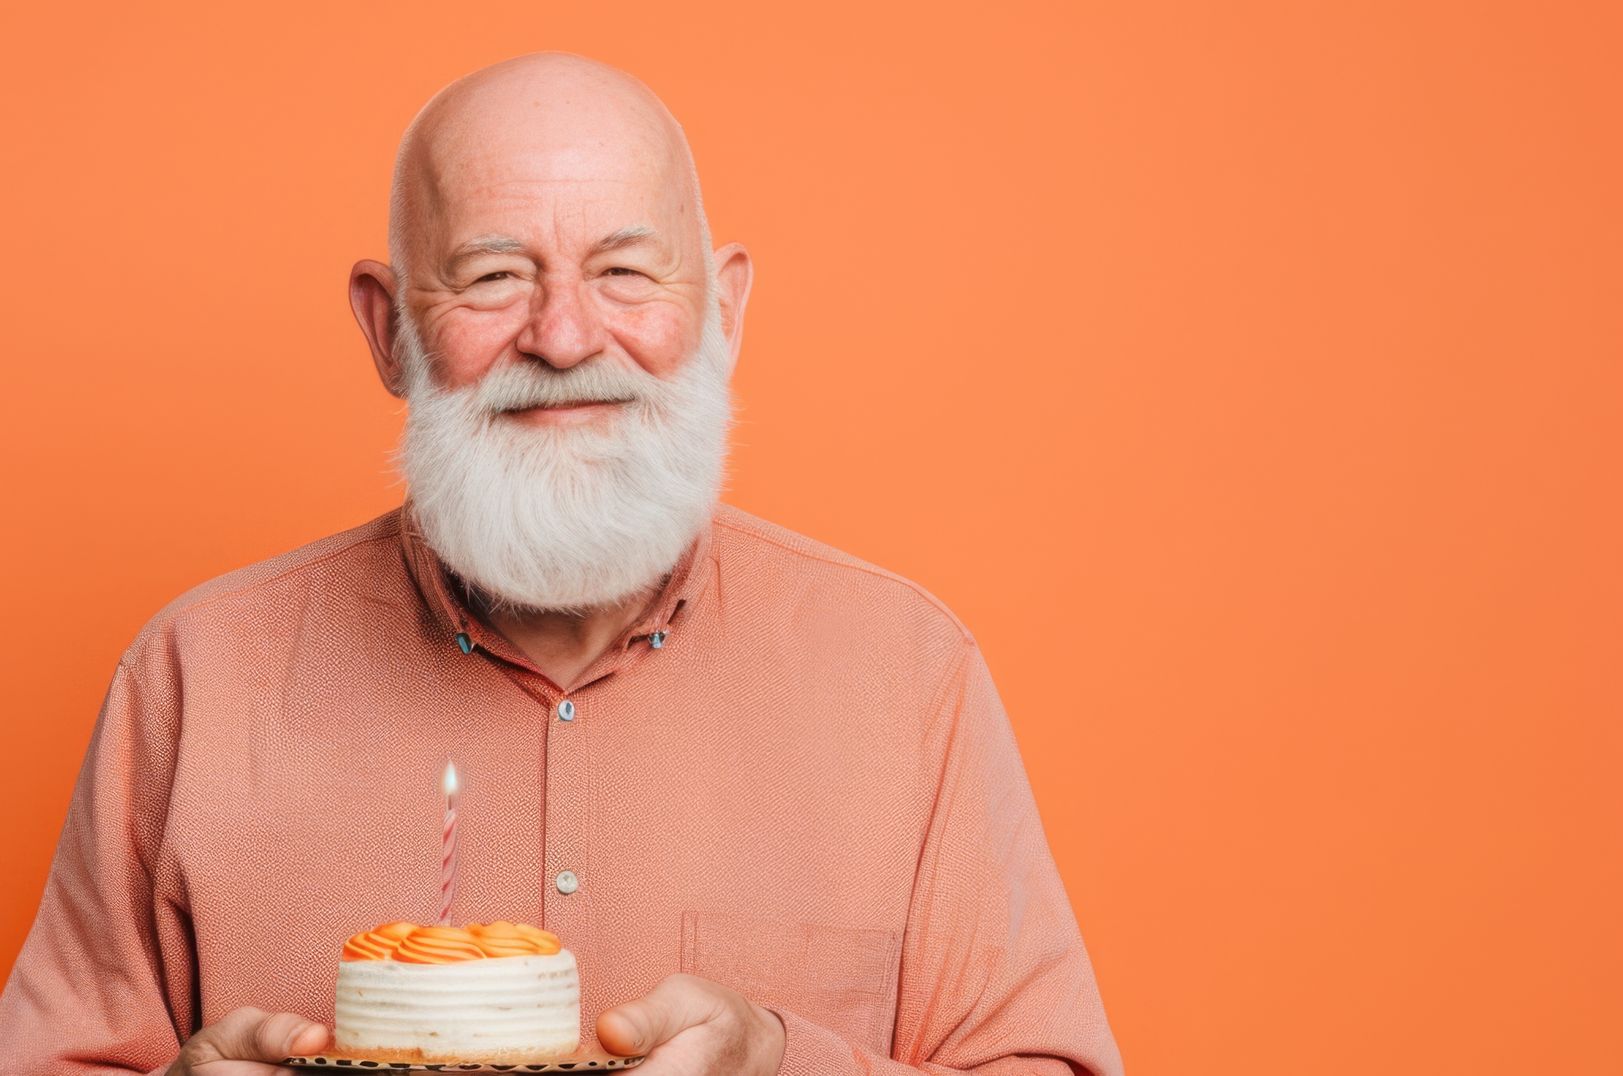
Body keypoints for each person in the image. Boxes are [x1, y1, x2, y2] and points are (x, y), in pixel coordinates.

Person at [0, 51, 1122, 1076]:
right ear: (389, 329)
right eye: (493, 277)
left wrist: (785, 1062)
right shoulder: (194, 673)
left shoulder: (905, 674)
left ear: (724, 312)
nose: (567, 336)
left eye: (626, 271)